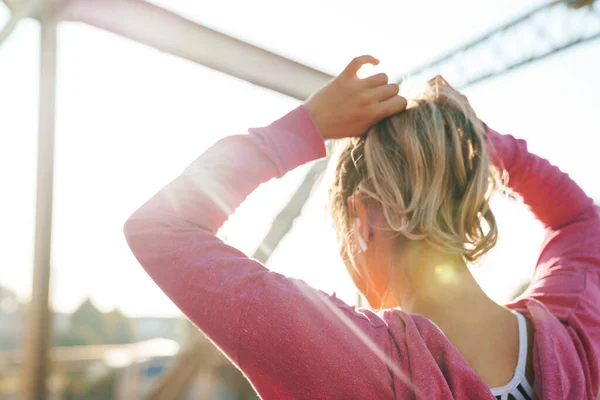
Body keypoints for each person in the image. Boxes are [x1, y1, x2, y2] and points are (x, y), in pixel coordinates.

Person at [123, 56, 600, 399]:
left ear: (369, 216)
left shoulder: (350, 358)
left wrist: (304, 125)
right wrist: (479, 143)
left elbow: (162, 227)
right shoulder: (572, 339)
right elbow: (579, 217)